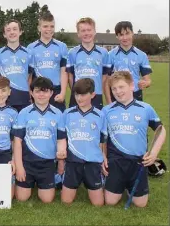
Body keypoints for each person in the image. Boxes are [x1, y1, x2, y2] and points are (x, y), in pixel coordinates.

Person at [102, 71, 166, 208]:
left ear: (132, 86)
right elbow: (102, 138)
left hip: (138, 162)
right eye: (114, 89)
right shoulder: (106, 111)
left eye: (121, 87)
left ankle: (128, 185)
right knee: (110, 202)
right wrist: (103, 157)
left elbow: (161, 130)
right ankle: (114, 182)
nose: (118, 91)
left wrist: (154, 153)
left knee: (140, 204)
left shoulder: (145, 108)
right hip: (116, 161)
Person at [13, 76, 67, 203]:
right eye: (37, 91)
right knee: (21, 198)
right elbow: (17, 142)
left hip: (47, 164)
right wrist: (20, 167)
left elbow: (61, 140)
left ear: (51, 93)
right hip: (27, 163)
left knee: (47, 200)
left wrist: (60, 162)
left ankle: (47, 181)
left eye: (45, 91)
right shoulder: (24, 113)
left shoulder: (58, 114)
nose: (41, 94)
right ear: (31, 93)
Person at [61, 78, 106, 206]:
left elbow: (102, 141)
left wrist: (103, 159)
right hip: (73, 161)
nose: (79, 98)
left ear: (92, 95)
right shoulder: (67, 114)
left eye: (83, 94)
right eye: (76, 94)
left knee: (98, 204)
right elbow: (62, 138)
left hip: (93, 162)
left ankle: (100, 180)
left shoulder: (100, 115)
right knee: (66, 201)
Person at [67, 17, 112, 109]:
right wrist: (77, 91)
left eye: (89, 30)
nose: (86, 33)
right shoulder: (72, 52)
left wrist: (96, 88)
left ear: (94, 31)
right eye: (83, 31)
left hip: (96, 95)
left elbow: (105, 76)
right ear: (78, 34)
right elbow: (70, 77)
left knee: (95, 122)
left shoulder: (103, 52)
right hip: (78, 96)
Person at [27, 12, 68, 112]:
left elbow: (64, 72)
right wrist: (29, 94)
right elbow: (29, 75)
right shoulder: (31, 48)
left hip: (56, 90)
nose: (49, 29)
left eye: (52, 26)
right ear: (39, 28)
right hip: (38, 91)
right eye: (45, 26)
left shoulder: (62, 46)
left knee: (58, 123)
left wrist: (62, 93)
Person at [0, 19, 33, 112]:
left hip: (24, 98)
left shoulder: (28, 53)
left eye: (15, 29)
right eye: (8, 30)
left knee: (22, 126)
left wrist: (30, 94)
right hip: (5, 99)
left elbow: (30, 76)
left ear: (20, 32)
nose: (12, 32)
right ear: (4, 34)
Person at [108, 21, 152, 102]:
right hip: (117, 96)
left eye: (127, 33)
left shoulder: (141, 55)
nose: (125, 38)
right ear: (117, 36)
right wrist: (109, 101)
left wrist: (145, 83)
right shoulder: (110, 55)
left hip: (135, 95)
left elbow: (148, 80)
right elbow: (106, 80)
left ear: (132, 33)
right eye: (121, 35)